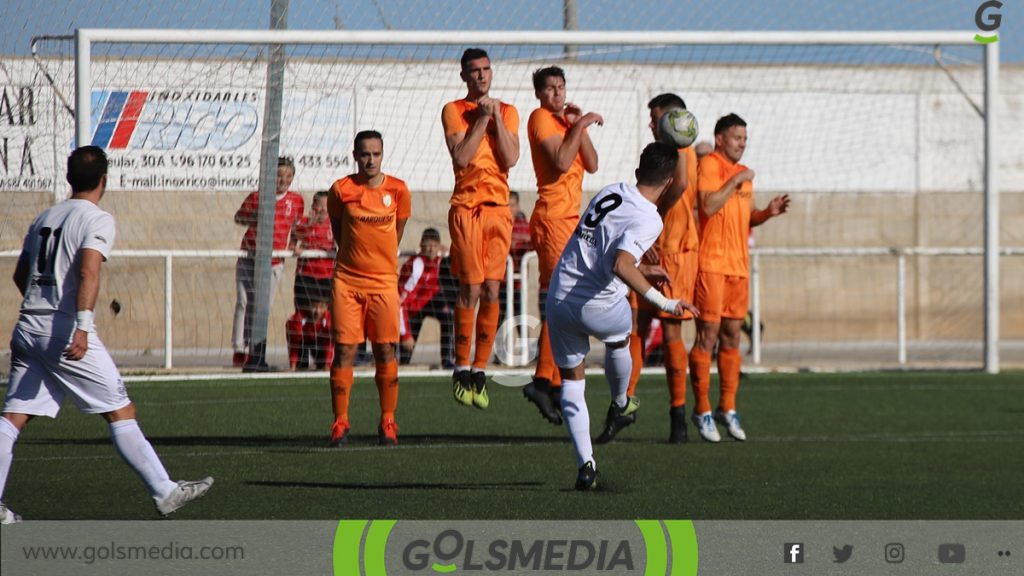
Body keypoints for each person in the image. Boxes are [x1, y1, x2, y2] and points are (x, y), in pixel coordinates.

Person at [0, 146, 213, 524]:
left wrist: (42, 306)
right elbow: (88, 272)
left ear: (68, 178)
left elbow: (20, 275)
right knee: (120, 410)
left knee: (12, 418)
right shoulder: (97, 219)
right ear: (104, 180)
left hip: (28, 325)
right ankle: (165, 492)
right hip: (64, 330)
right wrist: (81, 326)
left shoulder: (44, 217)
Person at [546, 142, 699, 490]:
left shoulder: (611, 190)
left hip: (560, 296)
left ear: (637, 171)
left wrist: (644, 267)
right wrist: (666, 303)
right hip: (599, 304)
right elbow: (619, 264)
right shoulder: (651, 218)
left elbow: (604, 248)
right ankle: (620, 402)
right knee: (621, 339)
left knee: (572, 382)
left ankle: (586, 465)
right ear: (671, 181)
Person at [601, 93, 698, 445]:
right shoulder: (664, 154)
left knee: (669, 333)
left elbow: (684, 186)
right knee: (634, 329)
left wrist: (654, 216)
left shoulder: (681, 151)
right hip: (646, 247)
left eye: (655, 117)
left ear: (671, 119)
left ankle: (678, 415)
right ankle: (623, 406)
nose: (650, 124)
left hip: (672, 251)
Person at [689, 113, 790, 443]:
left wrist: (767, 213)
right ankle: (702, 409)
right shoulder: (710, 166)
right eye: (737, 138)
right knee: (709, 335)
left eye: (745, 139)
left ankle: (726, 407)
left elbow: (746, 218)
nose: (742, 144)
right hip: (711, 265)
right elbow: (707, 206)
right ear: (720, 139)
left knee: (733, 335)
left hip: (738, 267)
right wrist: (734, 181)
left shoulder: (745, 177)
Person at [520, 66, 602, 425]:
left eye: (561, 86)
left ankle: (551, 381)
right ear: (539, 94)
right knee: (561, 298)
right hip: (552, 218)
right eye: (550, 88)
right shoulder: (539, 118)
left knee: (566, 300)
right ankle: (542, 379)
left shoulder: (568, 123)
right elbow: (561, 160)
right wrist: (579, 125)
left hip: (572, 220)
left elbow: (593, 164)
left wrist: (577, 126)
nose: (557, 93)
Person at [441, 47, 520, 410]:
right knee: (470, 287)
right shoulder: (454, 110)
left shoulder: (508, 111)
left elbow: (511, 158)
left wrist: (497, 120)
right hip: (467, 209)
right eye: (474, 71)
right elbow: (461, 156)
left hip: (499, 211)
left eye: (486, 69)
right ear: (464, 76)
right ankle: (460, 367)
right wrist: (482, 122)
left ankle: (480, 370)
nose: (482, 76)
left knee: (492, 289)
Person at [326, 130, 411, 447]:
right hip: (348, 281)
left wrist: (381, 261)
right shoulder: (341, 189)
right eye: (364, 154)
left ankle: (388, 420)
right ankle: (340, 422)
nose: (370, 159)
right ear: (355, 155)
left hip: (384, 282)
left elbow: (397, 231)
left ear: (382, 154)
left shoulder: (399, 190)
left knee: (385, 349)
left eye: (375, 154)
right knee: (345, 350)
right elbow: (339, 231)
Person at [232, 156, 304, 371]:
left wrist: (293, 243)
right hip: (250, 255)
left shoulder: (296, 201)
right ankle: (239, 350)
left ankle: (256, 351)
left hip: (274, 261)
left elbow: (298, 227)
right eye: (279, 175)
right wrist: (255, 217)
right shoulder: (257, 197)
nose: (283, 180)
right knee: (244, 301)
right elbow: (239, 218)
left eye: (288, 176)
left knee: (263, 306)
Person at [398, 228, 454, 368]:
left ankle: (447, 359)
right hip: (412, 308)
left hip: (429, 302)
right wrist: (405, 335)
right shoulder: (416, 266)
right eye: (428, 245)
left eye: (435, 246)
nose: (431, 249)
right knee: (405, 355)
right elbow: (399, 303)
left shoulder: (440, 260)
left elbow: (450, 255)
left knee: (448, 315)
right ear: (421, 245)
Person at [292, 190, 335, 316]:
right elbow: (293, 240)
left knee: (325, 314)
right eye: (319, 206)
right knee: (303, 313)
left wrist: (314, 248)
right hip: (305, 275)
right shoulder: (305, 222)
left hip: (326, 276)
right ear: (312, 207)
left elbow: (336, 245)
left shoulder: (334, 225)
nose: (322, 210)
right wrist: (310, 225)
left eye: (326, 207)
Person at [497, 190, 533, 333]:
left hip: (518, 280)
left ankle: (527, 349)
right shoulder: (499, 224)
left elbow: (531, 243)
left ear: (517, 207)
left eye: (512, 205)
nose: (509, 209)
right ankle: (498, 352)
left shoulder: (523, 225)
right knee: (498, 315)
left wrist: (520, 241)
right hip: (501, 279)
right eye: (506, 205)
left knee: (519, 315)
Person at [286, 296, 333, 371]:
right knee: (301, 367)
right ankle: (300, 363)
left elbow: (329, 345)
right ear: (307, 306)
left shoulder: (329, 320)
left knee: (322, 366)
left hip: (319, 342)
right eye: (313, 307)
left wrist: (327, 365)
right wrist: (293, 365)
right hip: (302, 341)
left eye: (321, 307)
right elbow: (294, 343)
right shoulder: (297, 320)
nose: (317, 311)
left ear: (327, 307)